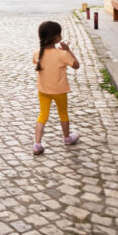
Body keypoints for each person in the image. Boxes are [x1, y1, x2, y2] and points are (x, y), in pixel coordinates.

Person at [32, 20, 81, 155]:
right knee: (63, 113)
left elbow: (38, 62)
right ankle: (67, 138)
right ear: (56, 37)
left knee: (42, 115)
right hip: (59, 91)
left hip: (43, 91)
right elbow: (76, 65)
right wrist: (68, 50)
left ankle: (37, 144)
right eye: (60, 34)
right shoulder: (62, 54)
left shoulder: (36, 53)